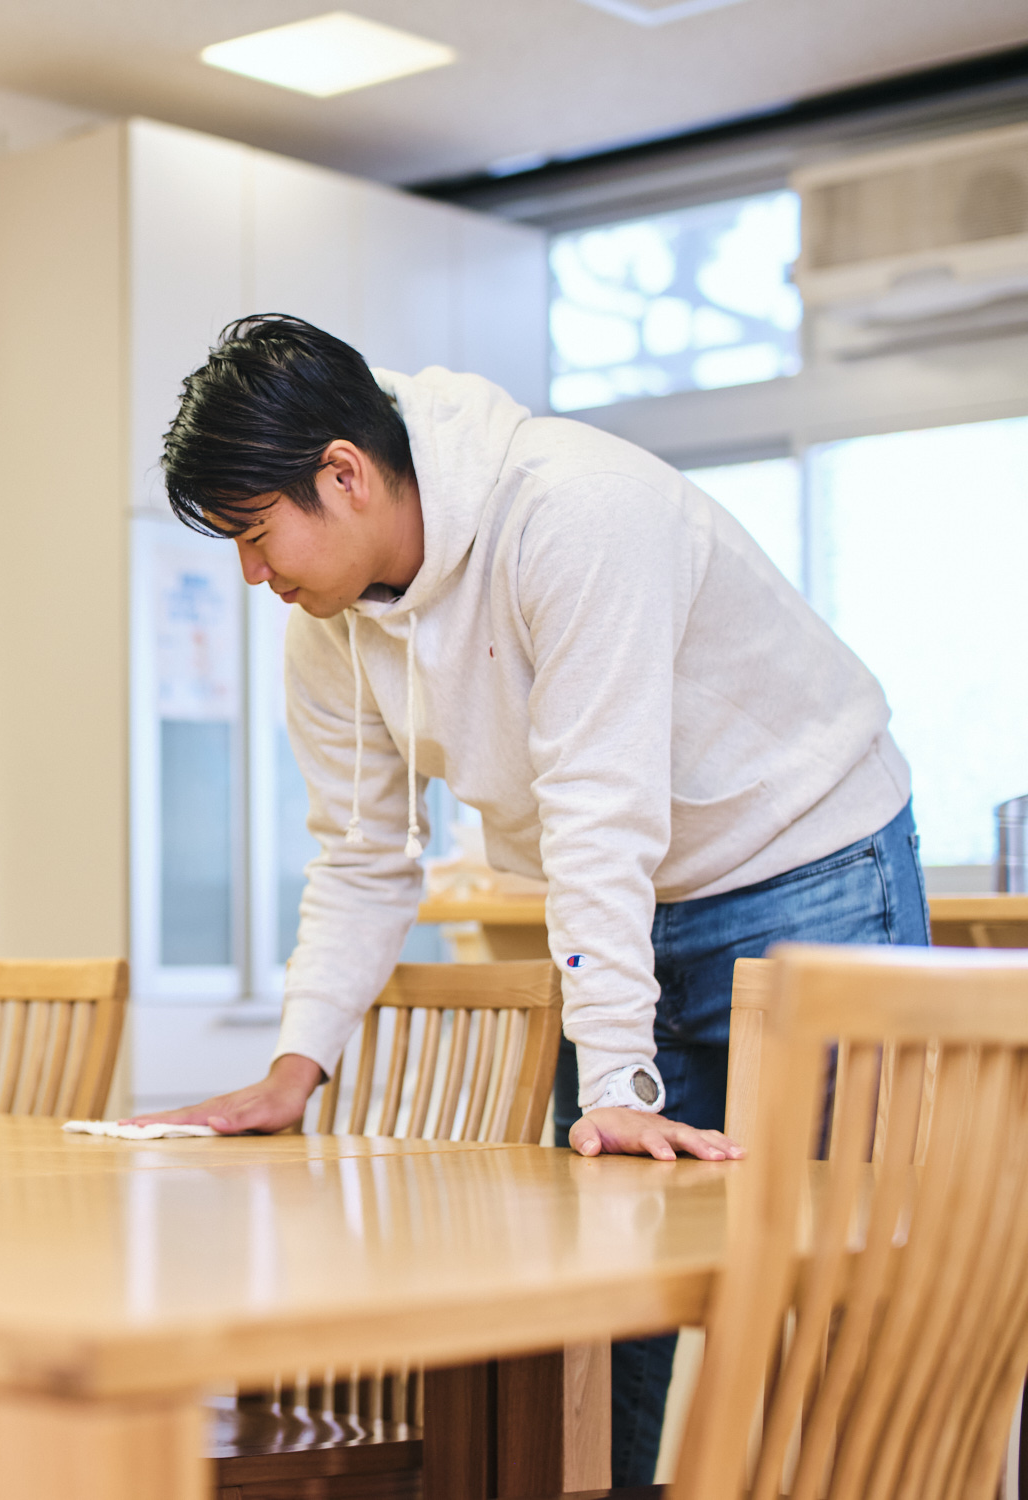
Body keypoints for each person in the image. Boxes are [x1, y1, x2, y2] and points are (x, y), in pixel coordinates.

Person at [132, 314, 929, 1486]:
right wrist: (291, 1069)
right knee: (602, 1292)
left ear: (342, 475)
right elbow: (360, 854)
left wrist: (610, 1080)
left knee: (830, 1285)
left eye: (256, 536)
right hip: (625, 903)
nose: (254, 575)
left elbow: (598, 806)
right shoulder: (331, 629)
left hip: (803, 865)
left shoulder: (572, 507)